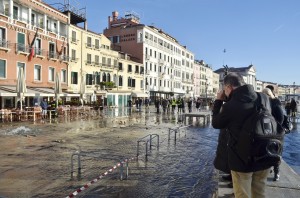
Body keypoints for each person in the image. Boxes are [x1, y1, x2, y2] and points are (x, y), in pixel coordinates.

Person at [212, 73, 272, 198]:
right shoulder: (263, 98)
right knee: (259, 193)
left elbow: (216, 123)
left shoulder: (230, 106)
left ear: (228, 87)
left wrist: (218, 100)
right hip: (264, 153)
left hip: (242, 159)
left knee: (242, 195)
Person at [262, 87, 284, 181]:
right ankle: (270, 169)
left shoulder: (275, 104)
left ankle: (276, 171)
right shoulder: (265, 104)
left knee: (276, 152)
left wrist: (273, 126)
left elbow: (280, 119)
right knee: (268, 151)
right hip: (268, 131)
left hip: (276, 132)